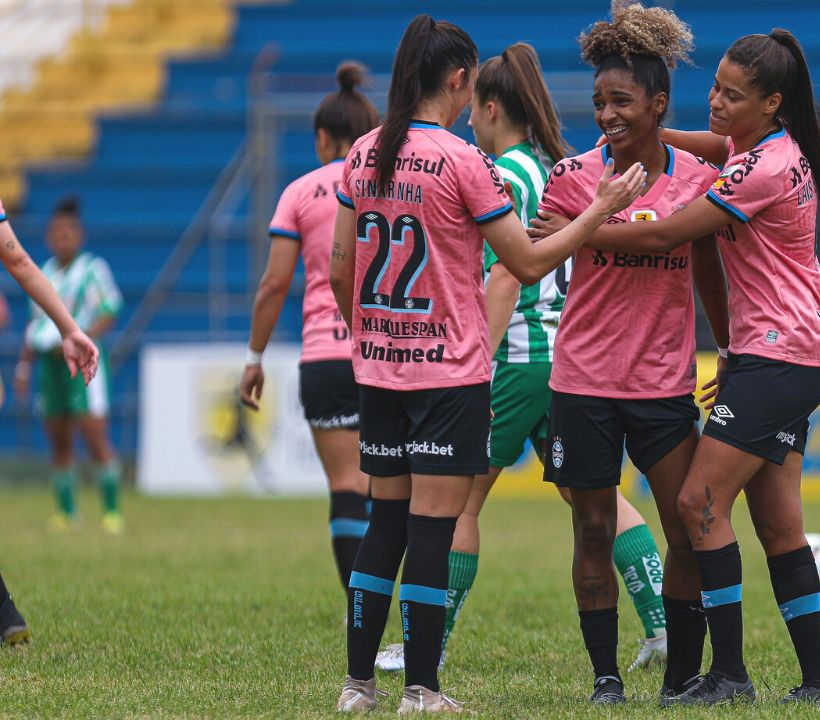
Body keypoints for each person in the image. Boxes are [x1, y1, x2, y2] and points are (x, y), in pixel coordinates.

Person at [327, 14, 644, 713]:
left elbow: (341, 265)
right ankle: (421, 690)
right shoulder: (462, 161)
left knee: (385, 525)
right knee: (433, 531)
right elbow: (526, 262)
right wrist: (598, 212)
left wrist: (371, 335)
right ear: (460, 79)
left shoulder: (364, 153)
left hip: (381, 369)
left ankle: (356, 686)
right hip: (448, 375)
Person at [537, 25, 820, 706]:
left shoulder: (758, 168)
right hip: (788, 348)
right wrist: (635, 127)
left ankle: (729, 675)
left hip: (779, 352)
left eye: (731, 95)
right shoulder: (758, 145)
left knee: (698, 502)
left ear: (771, 104)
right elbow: (696, 147)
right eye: (712, 87)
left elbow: (672, 233)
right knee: (777, 521)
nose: (714, 102)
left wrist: (586, 225)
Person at [532, 3, 734, 705]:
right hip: (582, 380)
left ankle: (680, 676)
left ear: (657, 104)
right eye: (598, 102)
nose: (607, 115)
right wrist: (586, 219)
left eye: (621, 101)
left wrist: (728, 343)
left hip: (662, 384)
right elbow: (537, 251)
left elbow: (704, 267)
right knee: (592, 527)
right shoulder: (571, 175)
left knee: (683, 527)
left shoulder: (696, 178)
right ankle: (605, 679)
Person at [239, 62, 380, 600]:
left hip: (324, 354)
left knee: (345, 486)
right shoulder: (386, 183)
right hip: (388, 350)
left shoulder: (300, 192)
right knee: (387, 487)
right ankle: (395, 601)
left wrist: (254, 358)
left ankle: (360, 609)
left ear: (322, 137)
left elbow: (273, 285)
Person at [0, 195, 101, 647]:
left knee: (90, 439)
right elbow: (16, 261)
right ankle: (4, 612)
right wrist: (69, 328)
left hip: (64, 367)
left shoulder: (92, 267)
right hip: (53, 354)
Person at [14, 196, 122, 533]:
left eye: (68, 232)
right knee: (58, 437)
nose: (62, 238)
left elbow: (110, 310)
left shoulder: (92, 269)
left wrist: (84, 337)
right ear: (48, 237)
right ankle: (67, 511)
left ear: (80, 235)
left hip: (83, 364)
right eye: (56, 232)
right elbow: (35, 326)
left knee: (94, 436)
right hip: (50, 364)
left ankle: (111, 510)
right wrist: (24, 365)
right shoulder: (43, 272)